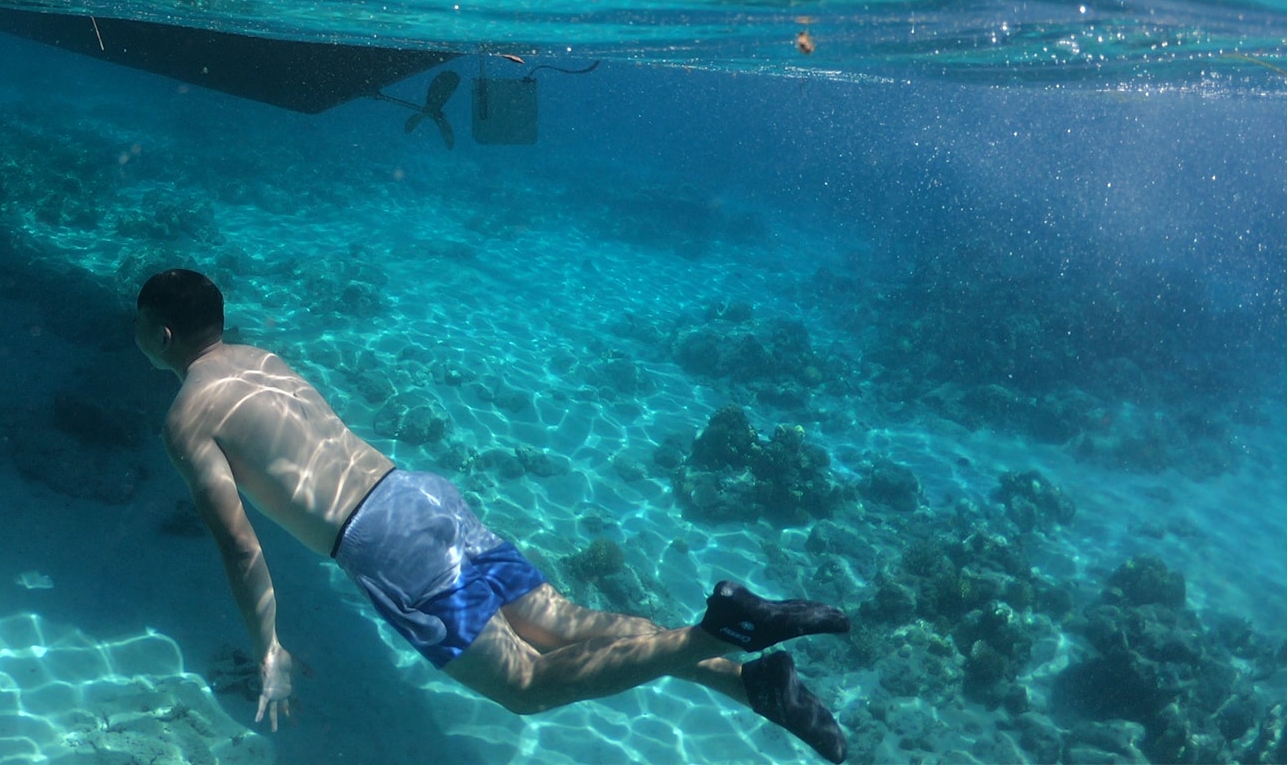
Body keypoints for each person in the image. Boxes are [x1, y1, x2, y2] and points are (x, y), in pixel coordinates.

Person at [134, 268, 850, 761]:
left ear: (163, 336)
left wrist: (268, 650)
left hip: (383, 543)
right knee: (567, 626)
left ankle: (720, 631)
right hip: (423, 494)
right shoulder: (261, 357)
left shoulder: (188, 415)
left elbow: (238, 544)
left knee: (529, 686)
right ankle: (750, 681)